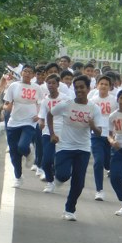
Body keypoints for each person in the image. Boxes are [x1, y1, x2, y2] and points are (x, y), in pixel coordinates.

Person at [47, 75, 101, 221]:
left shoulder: (94, 108)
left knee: (79, 182)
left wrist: (92, 126)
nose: (79, 90)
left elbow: (99, 132)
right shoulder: (66, 104)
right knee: (64, 175)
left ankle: (69, 209)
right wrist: (52, 133)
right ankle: (57, 176)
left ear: (88, 89)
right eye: (76, 87)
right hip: (64, 146)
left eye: (82, 87)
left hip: (83, 148)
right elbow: (50, 114)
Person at [3, 64, 41, 188]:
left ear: (33, 75)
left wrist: (39, 115)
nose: (27, 74)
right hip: (14, 121)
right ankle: (18, 177)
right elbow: (7, 103)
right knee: (14, 153)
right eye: (25, 71)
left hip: (29, 121)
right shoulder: (14, 86)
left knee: (22, 146)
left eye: (30, 72)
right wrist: (7, 107)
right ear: (22, 72)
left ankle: (29, 150)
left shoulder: (37, 88)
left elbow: (41, 103)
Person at [88, 75, 118, 201]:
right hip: (96, 134)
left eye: (106, 84)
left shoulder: (114, 100)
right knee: (98, 161)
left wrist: (116, 132)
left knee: (107, 163)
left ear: (110, 87)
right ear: (97, 85)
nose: (104, 86)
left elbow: (118, 117)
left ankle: (110, 168)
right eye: (102, 84)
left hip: (109, 135)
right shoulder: (92, 100)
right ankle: (99, 190)